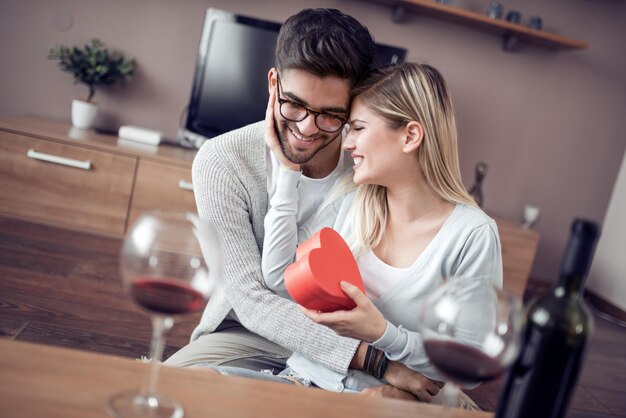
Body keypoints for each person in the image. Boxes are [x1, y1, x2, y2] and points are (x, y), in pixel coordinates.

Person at [165, 8, 440, 401]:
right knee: (174, 389)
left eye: (331, 116)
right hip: (248, 331)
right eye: (293, 104)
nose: (307, 128)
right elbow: (252, 299)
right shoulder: (222, 161)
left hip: (349, 332)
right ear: (273, 82)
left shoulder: (369, 164)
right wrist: (379, 363)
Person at [257, 62, 502, 405]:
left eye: (358, 128)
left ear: (410, 136)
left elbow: (470, 363)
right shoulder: (353, 199)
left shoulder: (471, 235)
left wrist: (384, 335)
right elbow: (280, 279)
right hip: (304, 379)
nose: (347, 144)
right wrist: (288, 169)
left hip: (381, 402)